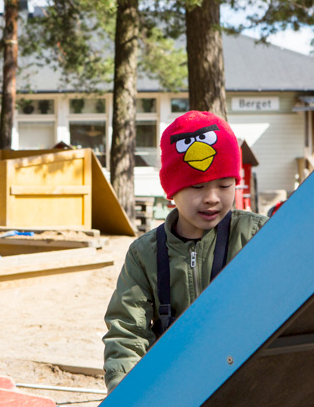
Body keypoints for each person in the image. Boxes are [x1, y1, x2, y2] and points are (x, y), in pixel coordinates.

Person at [102, 111, 268, 392]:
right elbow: (128, 332)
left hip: (248, 384)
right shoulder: (144, 255)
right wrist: (124, 391)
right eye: (197, 187)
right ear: (171, 191)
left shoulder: (257, 235)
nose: (212, 197)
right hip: (176, 386)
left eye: (224, 185)